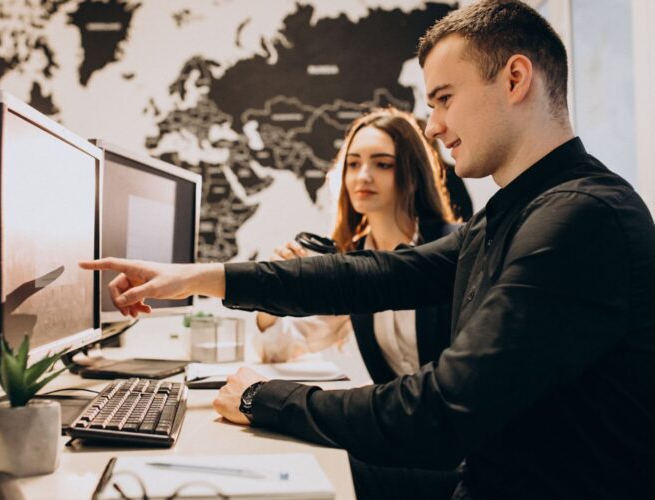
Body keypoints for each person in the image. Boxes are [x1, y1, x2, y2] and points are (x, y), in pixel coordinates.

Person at [80, 1, 655, 498]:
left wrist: (265, 397)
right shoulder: (513, 213)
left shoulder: (581, 219)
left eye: (445, 99)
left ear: (514, 79)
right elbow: (368, 276)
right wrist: (194, 277)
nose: (433, 126)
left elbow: (442, 410)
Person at [257, 107, 459, 391]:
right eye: (353, 164)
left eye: (382, 164)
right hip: (393, 425)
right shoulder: (353, 263)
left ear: (412, 173)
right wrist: (272, 293)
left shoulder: (452, 249)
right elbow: (281, 350)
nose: (363, 175)